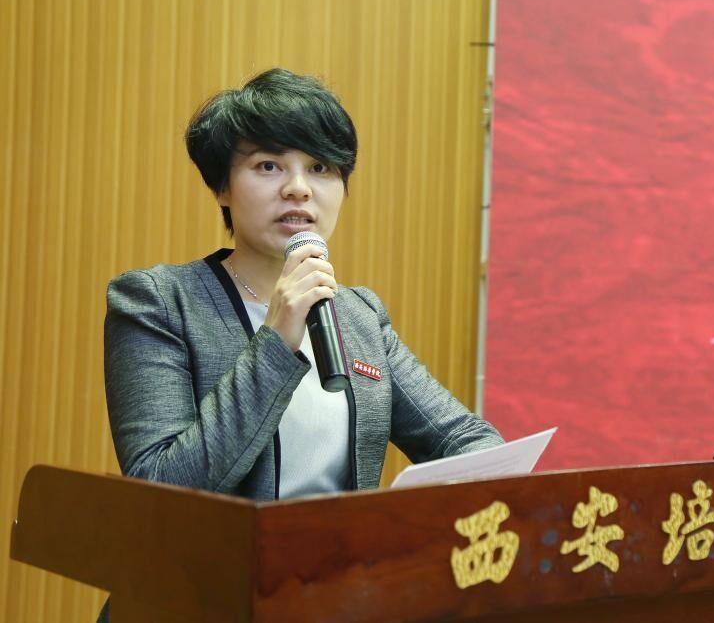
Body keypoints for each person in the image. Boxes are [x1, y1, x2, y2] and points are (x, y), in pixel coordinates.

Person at [103, 67, 504, 505]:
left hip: (343, 551)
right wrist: (275, 340)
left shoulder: (360, 316)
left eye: (319, 167)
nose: (298, 189)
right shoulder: (159, 302)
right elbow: (159, 487)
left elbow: (464, 438)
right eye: (268, 166)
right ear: (222, 187)